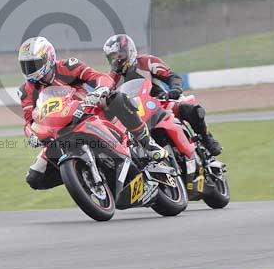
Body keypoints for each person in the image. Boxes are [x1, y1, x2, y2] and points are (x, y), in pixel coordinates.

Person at [19, 36, 166, 190]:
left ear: (47, 57)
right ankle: (80, 173)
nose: (30, 70)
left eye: (34, 64)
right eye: (26, 66)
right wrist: (32, 135)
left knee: (117, 98)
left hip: (88, 110)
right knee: (34, 178)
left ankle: (148, 144)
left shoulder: (68, 66)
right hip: (56, 130)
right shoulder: (26, 90)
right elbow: (29, 121)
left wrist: (101, 89)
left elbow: (98, 77)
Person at [102, 34, 222, 156]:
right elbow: (107, 98)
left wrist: (175, 89)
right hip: (136, 114)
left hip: (161, 102)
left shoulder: (147, 61)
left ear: (129, 50)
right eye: (112, 57)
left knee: (191, 110)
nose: (116, 60)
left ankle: (206, 138)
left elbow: (172, 76)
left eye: (119, 55)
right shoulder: (112, 79)